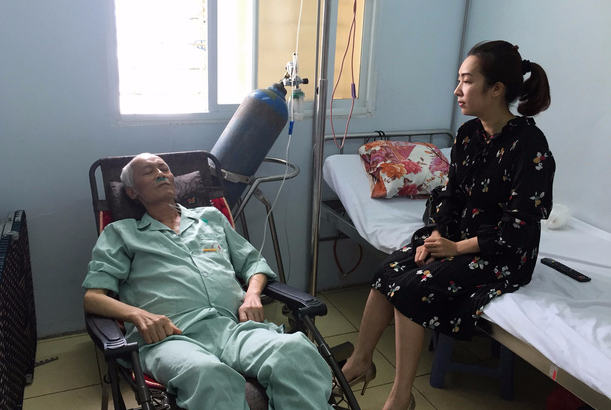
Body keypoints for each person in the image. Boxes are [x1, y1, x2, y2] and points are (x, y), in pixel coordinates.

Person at [340, 40, 556, 410]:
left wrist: (455, 249)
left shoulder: (529, 145)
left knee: (410, 289)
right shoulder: (469, 135)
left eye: (467, 81)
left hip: (502, 254)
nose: (457, 90)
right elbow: (450, 195)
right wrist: (438, 234)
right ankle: (360, 362)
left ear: (496, 89)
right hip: (456, 238)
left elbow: (519, 228)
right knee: (386, 273)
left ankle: (401, 397)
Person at [83, 153, 333, 410]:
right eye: (148, 172)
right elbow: (93, 298)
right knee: (209, 375)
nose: (160, 173)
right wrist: (138, 315)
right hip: (170, 338)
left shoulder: (210, 218)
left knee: (294, 351)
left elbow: (253, 263)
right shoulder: (121, 233)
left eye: (164, 169)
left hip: (232, 328)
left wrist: (252, 295)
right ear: (132, 192)